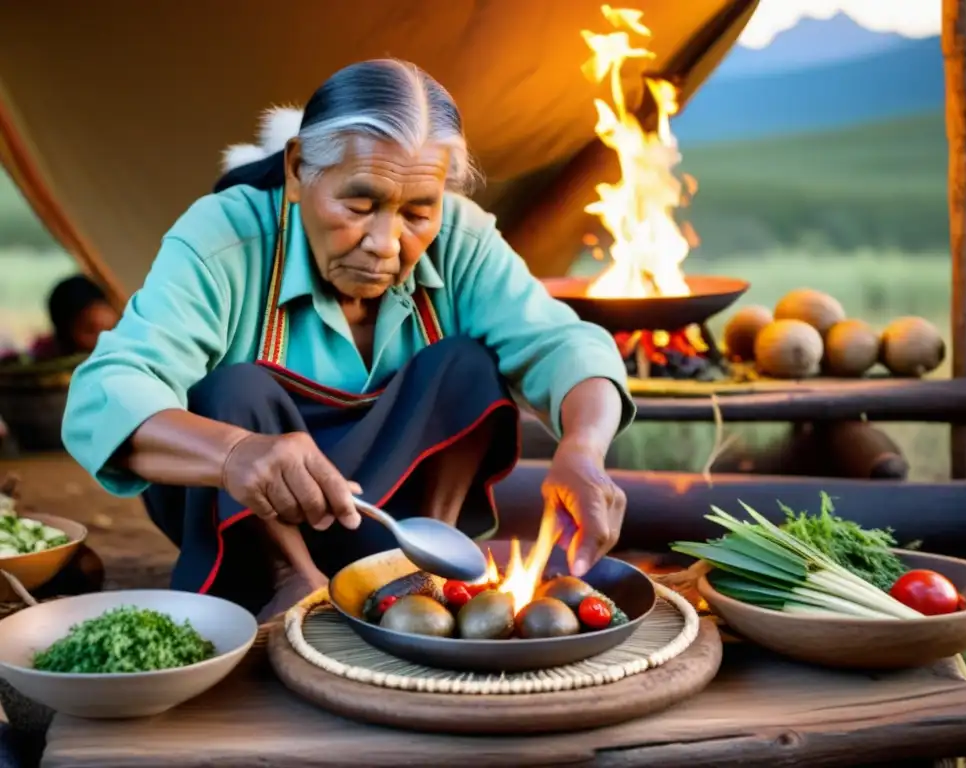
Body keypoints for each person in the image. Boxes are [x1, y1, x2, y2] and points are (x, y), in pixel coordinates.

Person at [61, 59, 636, 621]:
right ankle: (293, 578)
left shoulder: (462, 239)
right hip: (245, 517)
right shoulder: (224, 238)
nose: (385, 243)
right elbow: (107, 393)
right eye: (359, 206)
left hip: (387, 516)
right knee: (232, 390)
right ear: (296, 170)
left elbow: (563, 344)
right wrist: (238, 452)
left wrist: (583, 447)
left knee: (467, 364)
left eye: (417, 212)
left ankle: (424, 567)